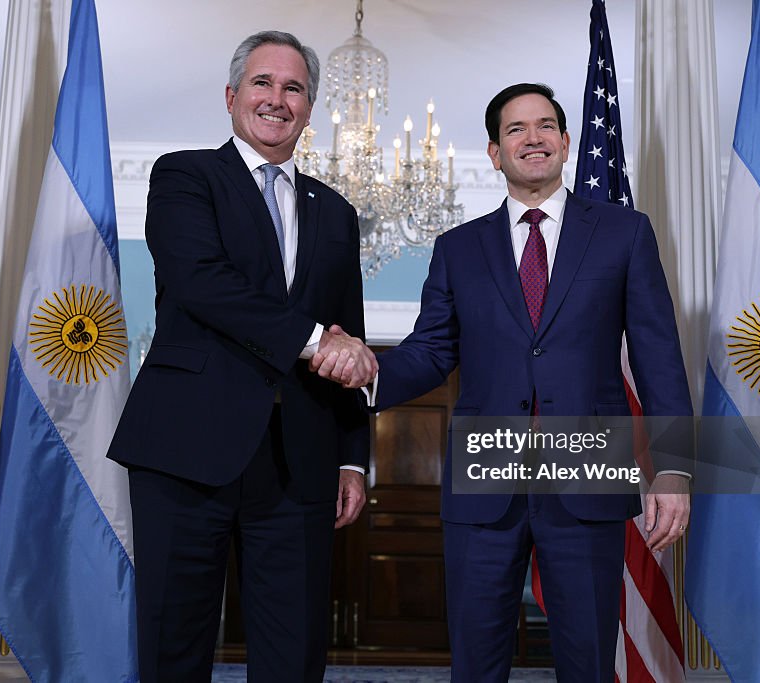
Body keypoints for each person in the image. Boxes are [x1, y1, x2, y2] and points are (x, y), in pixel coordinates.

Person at [314, 83, 693, 682]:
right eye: (516, 129)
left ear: (566, 143)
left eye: (545, 126)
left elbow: (658, 355)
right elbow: (432, 350)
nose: (532, 138)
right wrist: (369, 372)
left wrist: (672, 468)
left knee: (587, 659)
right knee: (477, 660)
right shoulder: (458, 249)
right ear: (495, 152)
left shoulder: (626, 233)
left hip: (588, 468)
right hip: (484, 476)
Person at [107, 30, 377, 683]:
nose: (277, 99)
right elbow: (204, 283)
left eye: (294, 88)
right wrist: (316, 341)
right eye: (263, 83)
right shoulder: (185, 175)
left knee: (294, 653)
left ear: (310, 108)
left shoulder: (337, 212)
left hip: (300, 461)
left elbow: (351, 329)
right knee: (174, 644)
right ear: (232, 96)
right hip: (184, 452)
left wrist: (351, 455)